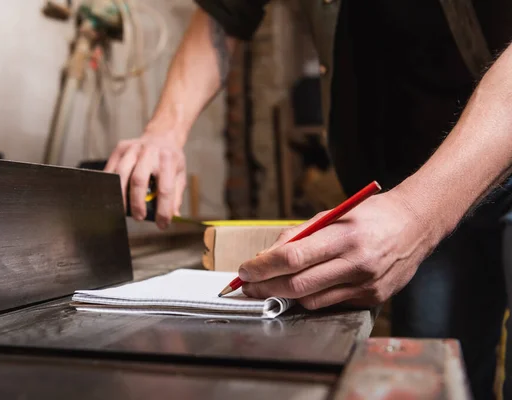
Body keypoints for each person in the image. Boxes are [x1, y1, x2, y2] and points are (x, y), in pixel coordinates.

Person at [105, 1, 512, 398]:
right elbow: (225, 13)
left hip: (468, 164)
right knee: (439, 363)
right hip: (408, 175)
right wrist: (164, 131)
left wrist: (419, 213)